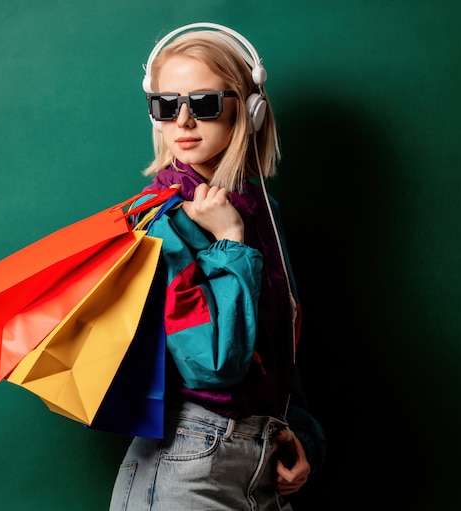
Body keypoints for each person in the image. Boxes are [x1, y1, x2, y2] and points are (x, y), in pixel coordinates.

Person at [109, 23, 325, 511]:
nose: (183, 121)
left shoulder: (261, 210)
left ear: (249, 110)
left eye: (204, 103)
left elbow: (277, 345)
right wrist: (228, 242)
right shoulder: (157, 220)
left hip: (261, 460)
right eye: (167, 105)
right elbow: (214, 365)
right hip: (186, 466)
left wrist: (296, 433)